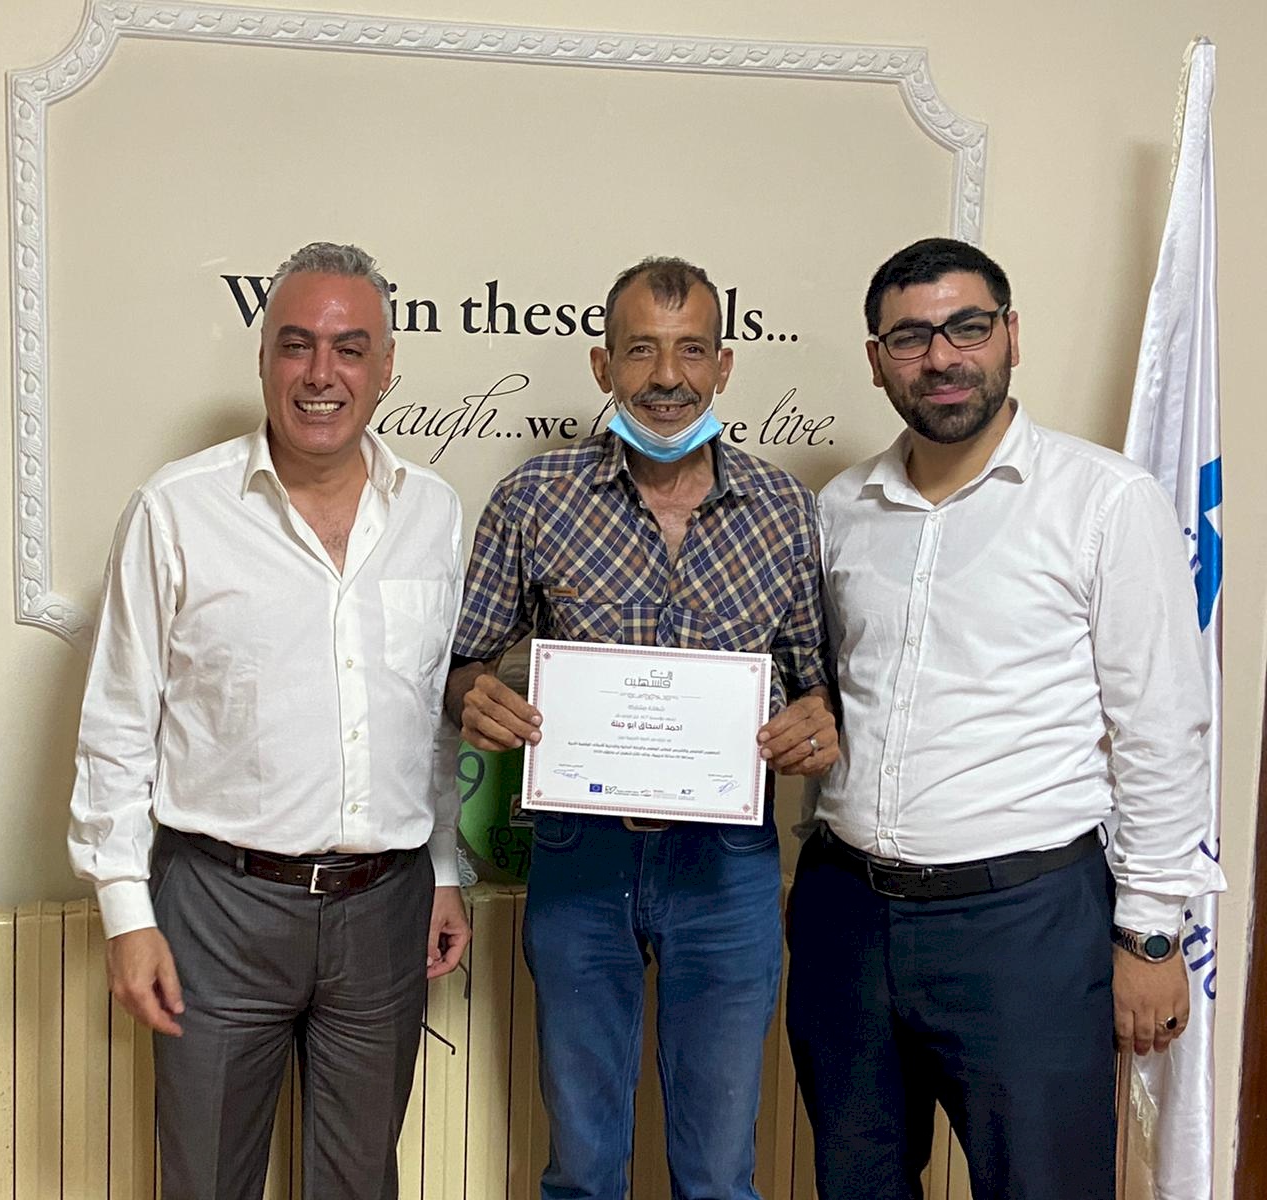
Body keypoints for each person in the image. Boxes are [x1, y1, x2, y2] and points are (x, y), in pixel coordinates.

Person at [786, 237, 1219, 1200]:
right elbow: (825, 694)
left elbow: (1162, 727)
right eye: (910, 338)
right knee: (856, 1183)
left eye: (967, 327)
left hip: (1026, 926)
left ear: (1011, 336)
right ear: (876, 360)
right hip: (846, 917)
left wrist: (1152, 934)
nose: (941, 357)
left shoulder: (1105, 501)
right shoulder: (841, 507)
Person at [67, 241, 471, 1200]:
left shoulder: (436, 514)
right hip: (219, 909)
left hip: (387, 911)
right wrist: (126, 910)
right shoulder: (176, 510)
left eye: (349, 348)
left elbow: (430, 718)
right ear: (263, 359)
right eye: (297, 345)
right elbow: (117, 722)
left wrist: (447, 869)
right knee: (207, 1182)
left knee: (361, 1184)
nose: (321, 373)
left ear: (385, 368)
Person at [447, 256, 838, 1200]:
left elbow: (817, 687)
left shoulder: (786, 511)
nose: (668, 377)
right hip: (580, 859)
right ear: (602, 365)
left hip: (727, 869)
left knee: (719, 1171)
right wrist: (469, 695)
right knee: (582, 1168)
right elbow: (458, 663)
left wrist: (817, 721)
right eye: (641, 351)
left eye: (691, 350)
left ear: (724, 366)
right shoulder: (534, 499)